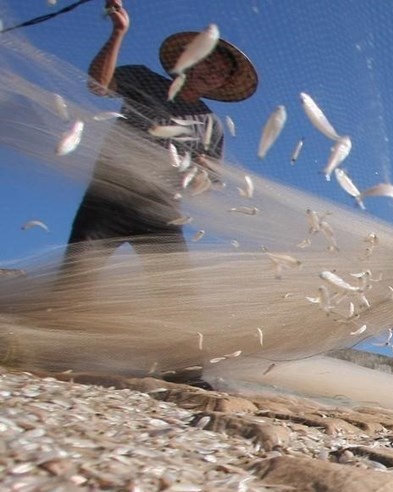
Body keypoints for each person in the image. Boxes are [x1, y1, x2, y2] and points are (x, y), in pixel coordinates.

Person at [58, 0, 258, 293]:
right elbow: (97, 86)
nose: (211, 71)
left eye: (220, 72)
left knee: (175, 295)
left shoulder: (210, 124)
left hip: (162, 213)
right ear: (192, 57)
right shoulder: (144, 79)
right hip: (108, 198)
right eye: (209, 61)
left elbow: (207, 186)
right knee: (75, 281)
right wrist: (119, 32)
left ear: (221, 84)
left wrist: (201, 175)